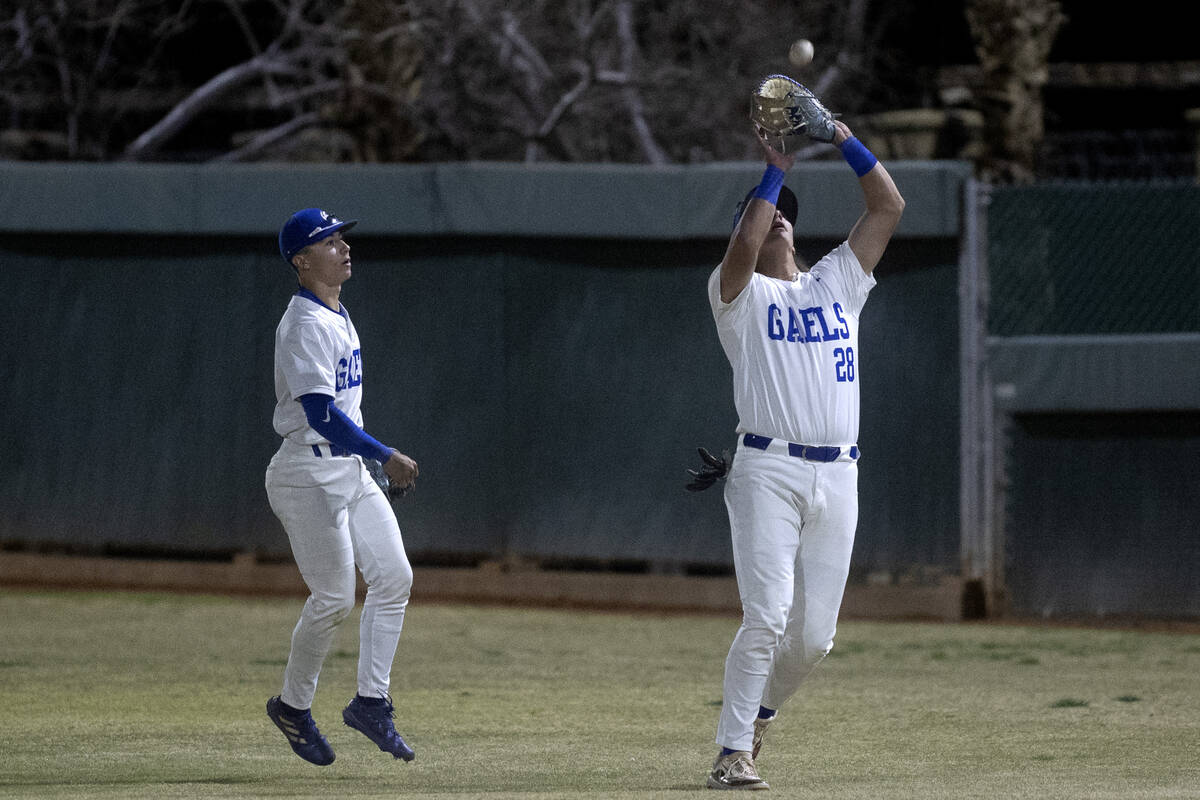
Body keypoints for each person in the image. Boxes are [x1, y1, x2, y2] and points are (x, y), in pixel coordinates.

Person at [702, 121, 904, 790]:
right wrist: (775, 173)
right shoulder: (738, 297)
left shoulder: (839, 282)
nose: (778, 223)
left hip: (839, 472)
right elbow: (742, 248)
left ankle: (758, 715)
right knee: (766, 616)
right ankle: (732, 752)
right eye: (766, 219)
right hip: (768, 469)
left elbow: (888, 207)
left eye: (786, 217)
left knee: (815, 638)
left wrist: (841, 137)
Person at [264, 207, 420, 766]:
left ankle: (371, 703)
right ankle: (292, 706)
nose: (343, 247)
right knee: (333, 599)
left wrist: (370, 462)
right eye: (328, 242)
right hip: (306, 475)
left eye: (341, 238)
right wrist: (385, 454)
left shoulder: (335, 310)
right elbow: (320, 415)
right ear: (301, 261)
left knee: (395, 577)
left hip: (346, 471)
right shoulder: (304, 323)